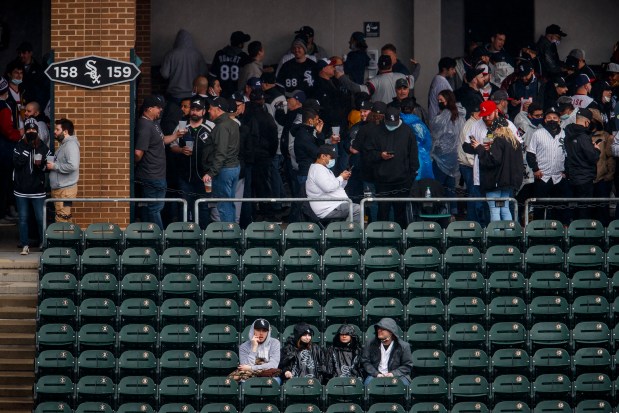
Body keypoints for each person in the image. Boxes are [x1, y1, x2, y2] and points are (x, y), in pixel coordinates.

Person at [367, 106, 419, 228]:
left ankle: (401, 240)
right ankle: (382, 240)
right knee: (383, 212)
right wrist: (380, 155)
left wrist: (411, 175)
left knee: (401, 214)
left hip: (402, 181)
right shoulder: (376, 131)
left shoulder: (407, 131)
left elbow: (413, 155)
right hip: (382, 181)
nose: (392, 125)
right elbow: (368, 153)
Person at [169, 97, 214, 228]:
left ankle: (203, 236)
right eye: (193, 109)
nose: (195, 112)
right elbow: (172, 146)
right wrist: (181, 150)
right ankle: (186, 237)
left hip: (205, 176)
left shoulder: (211, 126)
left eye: (198, 110)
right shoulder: (182, 126)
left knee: (203, 207)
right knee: (185, 206)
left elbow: (218, 149)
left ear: (203, 111)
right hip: (185, 176)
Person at [470, 117, 523, 221]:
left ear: (498, 128)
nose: (493, 131)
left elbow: (492, 161)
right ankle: (508, 234)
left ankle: (496, 235)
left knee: (494, 209)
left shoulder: (498, 140)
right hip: (507, 182)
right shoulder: (515, 142)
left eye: (493, 129)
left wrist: (479, 148)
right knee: (504, 208)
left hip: (496, 182)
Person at [13, 118, 50, 254]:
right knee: (23, 219)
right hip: (21, 190)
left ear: (37, 131)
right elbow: (17, 163)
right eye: (28, 129)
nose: (31, 131)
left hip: (37, 190)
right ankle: (24, 244)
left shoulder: (42, 146)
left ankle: (43, 242)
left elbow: (49, 165)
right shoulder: (19, 145)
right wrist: (28, 148)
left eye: (34, 129)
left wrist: (42, 165)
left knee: (40, 218)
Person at [526, 107, 570, 222]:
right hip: (542, 176)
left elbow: (568, 155)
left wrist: (566, 172)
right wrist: (535, 169)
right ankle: (538, 231)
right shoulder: (538, 133)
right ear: (545, 120)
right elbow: (530, 153)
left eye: (555, 118)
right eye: (549, 117)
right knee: (539, 207)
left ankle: (559, 231)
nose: (552, 120)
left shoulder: (565, 134)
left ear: (559, 120)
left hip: (558, 176)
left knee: (560, 207)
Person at [202, 96, 241, 222]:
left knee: (224, 205)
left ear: (218, 110)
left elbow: (221, 153)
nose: (208, 111)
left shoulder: (221, 127)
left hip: (224, 170)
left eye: (211, 108)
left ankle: (229, 236)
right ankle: (233, 231)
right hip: (233, 167)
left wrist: (211, 172)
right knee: (229, 203)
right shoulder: (233, 123)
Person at [430, 90, 465, 218]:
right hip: (454, 159)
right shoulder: (461, 116)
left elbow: (435, 131)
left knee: (438, 187)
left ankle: (439, 213)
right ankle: (452, 213)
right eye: (438, 100)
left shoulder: (443, 117)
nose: (439, 103)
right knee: (451, 187)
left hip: (441, 158)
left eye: (441, 101)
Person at [305, 144, 361, 222]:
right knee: (358, 209)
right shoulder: (317, 170)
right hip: (328, 208)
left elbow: (337, 187)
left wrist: (344, 179)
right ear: (323, 156)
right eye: (331, 157)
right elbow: (329, 187)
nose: (333, 160)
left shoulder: (324, 169)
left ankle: (347, 231)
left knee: (357, 208)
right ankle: (347, 233)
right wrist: (341, 177)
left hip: (335, 205)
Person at [564, 108, 600, 219]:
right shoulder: (584, 136)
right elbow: (592, 157)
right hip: (584, 178)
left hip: (572, 176)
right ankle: (582, 234)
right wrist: (597, 149)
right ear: (587, 122)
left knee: (575, 209)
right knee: (584, 210)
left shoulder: (567, 134)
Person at [336, 55, 409, 104]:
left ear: (378, 66)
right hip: (400, 115)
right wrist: (418, 66)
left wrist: (341, 77)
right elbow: (414, 77)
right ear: (391, 65)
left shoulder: (374, 81)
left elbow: (356, 88)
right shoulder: (402, 76)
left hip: (380, 117)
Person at [361, 318, 412, 385]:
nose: (379, 330)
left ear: (391, 332)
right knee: (368, 384)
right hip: (375, 375)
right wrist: (376, 374)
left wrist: (393, 374)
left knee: (404, 384)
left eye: (383, 329)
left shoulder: (404, 346)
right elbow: (365, 361)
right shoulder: (370, 343)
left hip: (398, 376)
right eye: (378, 328)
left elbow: (407, 365)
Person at [0, 76, 23, 225]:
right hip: (4, 151)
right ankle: (3, 211)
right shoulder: (3, 108)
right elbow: (7, 130)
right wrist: (19, 134)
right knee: (5, 182)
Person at [48, 118, 80, 223]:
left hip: (65, 190)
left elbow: (73, 166)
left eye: (57, 129)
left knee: (62, 219)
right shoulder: (65, 145)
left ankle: (64, 239)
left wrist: (54, 166)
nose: (54, 132)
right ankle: (68, 238)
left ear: (65, 132)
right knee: (65, 217)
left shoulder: (70, 145)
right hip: (62, 189)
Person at [160, 29, 207, 102]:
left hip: (175, 94)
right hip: (193, 94)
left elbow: (164, 74)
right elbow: (203, 73)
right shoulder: (197, 54)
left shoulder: (170, 54)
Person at [238, 319, 282, 383]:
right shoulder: (243, 347)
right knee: (244, 383)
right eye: (258, 330)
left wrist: (251, 368)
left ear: (268, 332)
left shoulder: (275, 343)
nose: (261, 333)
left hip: (270, 375)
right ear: (253, 331)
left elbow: (273, 365)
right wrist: (254, 348)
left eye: (264, 330)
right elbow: (244, 368)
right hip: (249, 377)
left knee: (275, 381)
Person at [210, 31, 251, 97]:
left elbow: (212, 75)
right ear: (240, 44)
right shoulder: (243, 56)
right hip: (236, 93)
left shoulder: (219, 53)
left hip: (220, 91)